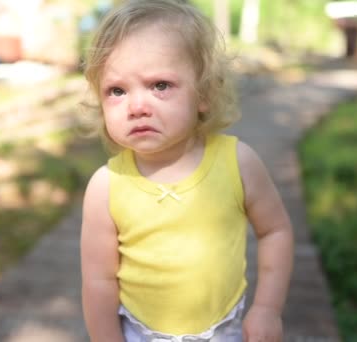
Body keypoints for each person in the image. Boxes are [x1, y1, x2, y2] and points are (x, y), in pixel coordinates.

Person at [80, 0, 294, 341]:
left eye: (160, 85)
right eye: (117, 91)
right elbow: (98, 280)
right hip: (140, 333)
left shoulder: (238, 163)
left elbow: (275, 232)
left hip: (225, 330)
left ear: (204, 92)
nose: (136, 106)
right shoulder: (107, 186)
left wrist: (267, 309)